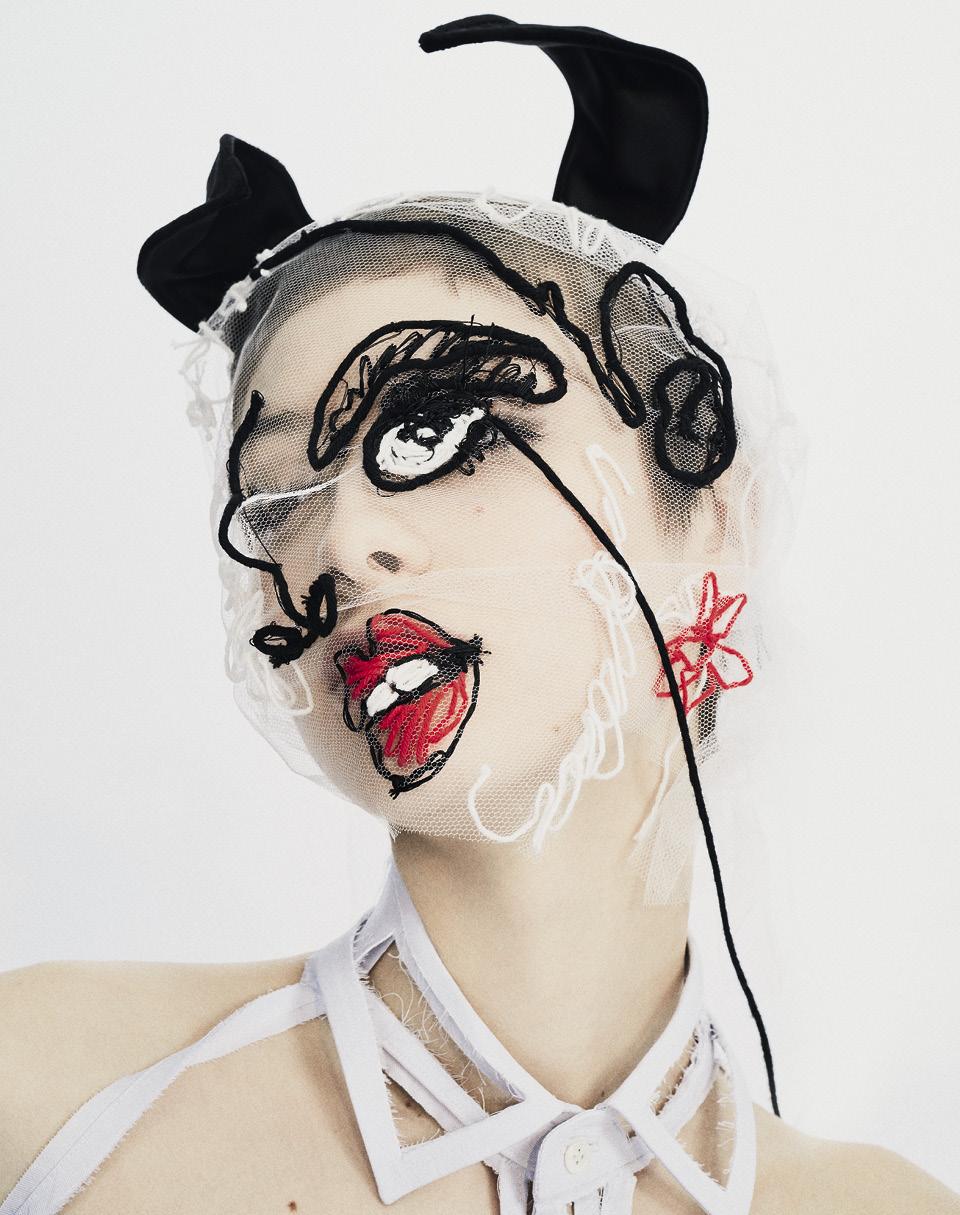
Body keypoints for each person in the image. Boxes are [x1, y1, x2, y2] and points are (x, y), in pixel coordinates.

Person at [2, 16, 957, 1215]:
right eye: (278, 498)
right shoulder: (48, 1099)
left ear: (711, 522)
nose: (337, 547)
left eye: (435, 430)